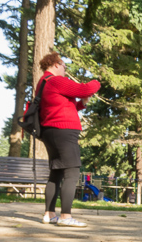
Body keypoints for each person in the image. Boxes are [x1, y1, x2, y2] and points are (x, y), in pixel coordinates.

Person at [35, 52, 100, 227]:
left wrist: (82, 104)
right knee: (71, 172)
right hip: (64, 131)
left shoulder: (43, 83)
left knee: (55, 173)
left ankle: (49, 214)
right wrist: (97, 81)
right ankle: (65, 216)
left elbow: (61, 106)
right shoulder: (56, 80)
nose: (65, 69)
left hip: (50, 131)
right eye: (64, 66)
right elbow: (85, 89)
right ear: (56, 64)